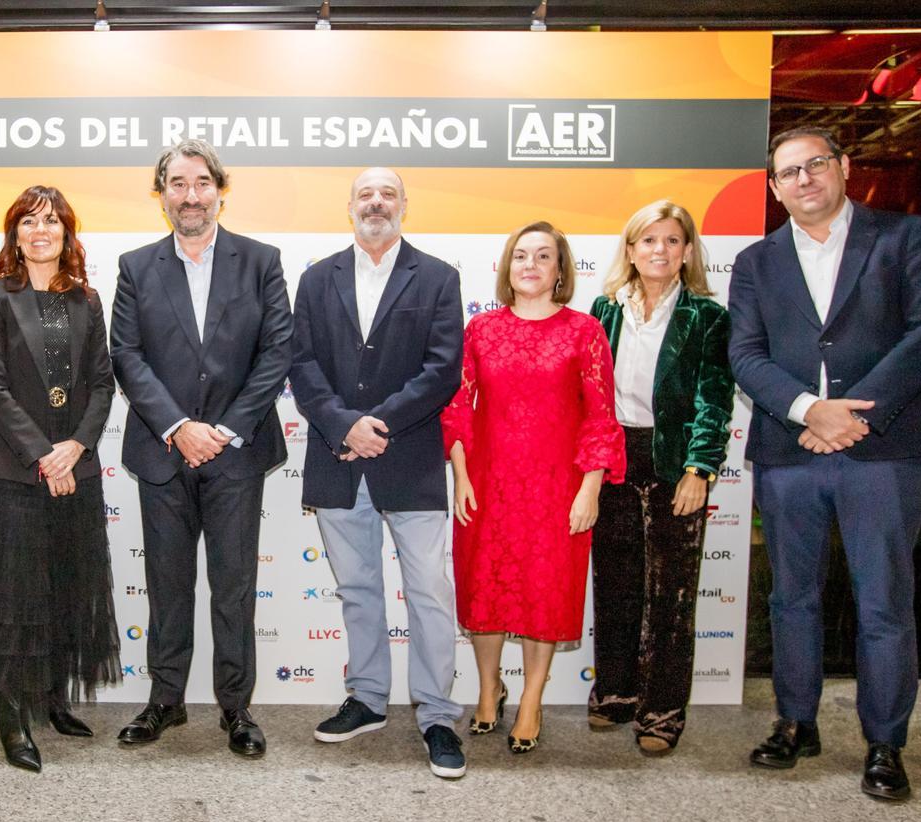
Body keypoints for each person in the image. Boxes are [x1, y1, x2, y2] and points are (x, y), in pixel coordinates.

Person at [729, 126, 921, 801]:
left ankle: (885, 742)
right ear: (775, 188)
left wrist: (855, 415)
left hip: (882, 448)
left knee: (883, 599)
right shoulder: (756, 261)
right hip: (791, 450)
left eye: (815, 165)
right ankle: (795, 722)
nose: (804, 180)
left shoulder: (904, 237)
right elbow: (745, 352)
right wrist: (808, 410)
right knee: (791, 597)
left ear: (844, 166)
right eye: (789, 173)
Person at [110, 140, 293, 758]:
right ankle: (165, 700)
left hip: (236, 453)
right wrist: (177, 426)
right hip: (162, 452)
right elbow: (126, 355)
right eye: (178, 184)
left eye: (201, 183)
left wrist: (223, 429)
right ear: (161, 195)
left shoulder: (261, 261)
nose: (190, 196)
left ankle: (236, 706)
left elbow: (276, 353)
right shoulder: (136, 266)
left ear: (220, 190)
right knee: (167, 585)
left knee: (234, 588)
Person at [289, 167, 466, 778]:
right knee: (358, 589)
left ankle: (437, 714)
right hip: (338, 460)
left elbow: (442, 370)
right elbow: (301, 365)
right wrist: (345, 426)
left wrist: (376, 426)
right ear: (350, 206)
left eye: (387, 193)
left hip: (409, 459)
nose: (376, 202)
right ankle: (367, 699)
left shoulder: (437, 277)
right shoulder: (316, 279)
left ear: (403, 206)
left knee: (429, 591)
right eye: (365, 193)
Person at [443, 221, 625, 754]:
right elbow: (457, 407)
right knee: (485, 588)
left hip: (557, 486)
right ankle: (488, 689)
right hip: (489, 483)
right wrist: (461, 476)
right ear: (508, 266)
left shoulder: (584, 332)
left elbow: (600, 417)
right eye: (521, 255)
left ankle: (531, 700)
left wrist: (590, 488)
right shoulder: (481, 330)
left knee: (546, 593)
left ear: (560, 269)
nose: (531, 264)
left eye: (544, 256)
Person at [0, 185, 120, 772]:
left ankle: (52, 700)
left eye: (51, 221)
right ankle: (10, 713)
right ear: (15, 234)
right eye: (29, 222)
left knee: (64, 590)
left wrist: (75, 448)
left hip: (75, 469)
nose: (41, 231)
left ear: (67, 232)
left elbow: (102, 383)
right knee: (14, 597)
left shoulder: (87, 299)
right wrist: (43, 455)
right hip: (12, 472)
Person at [587, 199, 734, 755]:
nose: (660, 250)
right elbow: (590, 396)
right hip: (614, 457)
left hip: (675, 461)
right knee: (616, 582)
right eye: (649, 240)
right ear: (631, 249)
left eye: (672, 241)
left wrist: (700, 469)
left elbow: (714, 401)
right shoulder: (604, 310)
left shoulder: (708, 317)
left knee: (671, 593)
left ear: (688, 251)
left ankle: (663, 711)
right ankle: (617, 692)